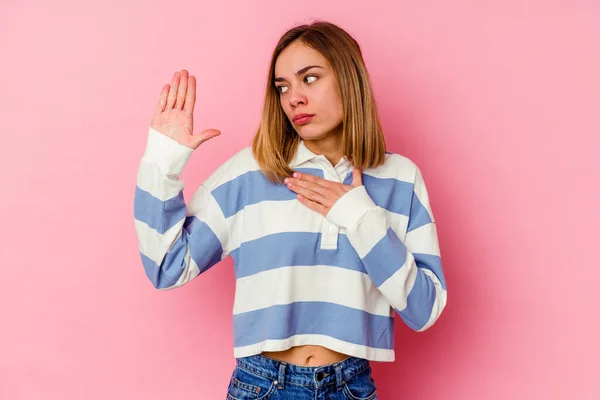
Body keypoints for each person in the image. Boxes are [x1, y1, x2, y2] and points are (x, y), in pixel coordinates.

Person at [134, 20, 447, 400]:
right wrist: (162, 163)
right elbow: (167, 266)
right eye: (282, 87)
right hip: (262, 385)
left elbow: (424, 310)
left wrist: (361, 217)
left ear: (349, 80)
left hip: (351, 387)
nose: (293, 98)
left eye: (310, 79)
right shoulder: (252, 173)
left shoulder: (400, 178)